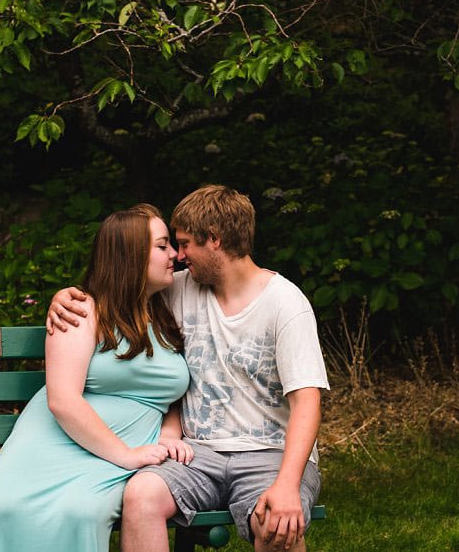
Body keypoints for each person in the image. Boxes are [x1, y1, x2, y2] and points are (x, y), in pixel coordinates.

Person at [48, 185, 329, 552]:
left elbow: (308, 401)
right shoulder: (177, 289)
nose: (179, 257)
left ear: (214, 240)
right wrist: (65, 297)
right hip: (196, 453)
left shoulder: (285, 304)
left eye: (184, 244)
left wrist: (288, 485)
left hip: (270, 453)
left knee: (275, 522)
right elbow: (117, 288)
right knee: (141, 496)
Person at [0, 204, 193, 552]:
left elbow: (172, 395)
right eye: (162, 246)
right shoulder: (80, 311)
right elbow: (63, 401)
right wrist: (126, 455)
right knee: (5, 508)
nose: (175, 254)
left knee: (80, 511)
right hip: (64, 441)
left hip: (128, 449)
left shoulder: (170, 304)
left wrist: (169, 433)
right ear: (130, 256)